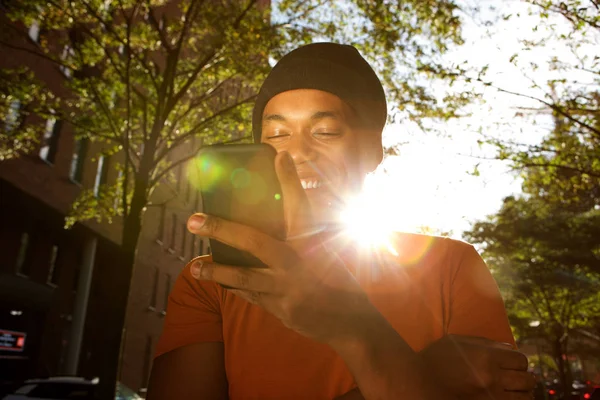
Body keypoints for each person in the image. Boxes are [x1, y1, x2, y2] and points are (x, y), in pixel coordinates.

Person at [147, 43, 535, 400]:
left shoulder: (452, 267)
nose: (297, 151)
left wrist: (356, 329)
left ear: (371, 150)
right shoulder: (214, 282)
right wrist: (417, 369)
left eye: (326, 131)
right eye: (277, 134)